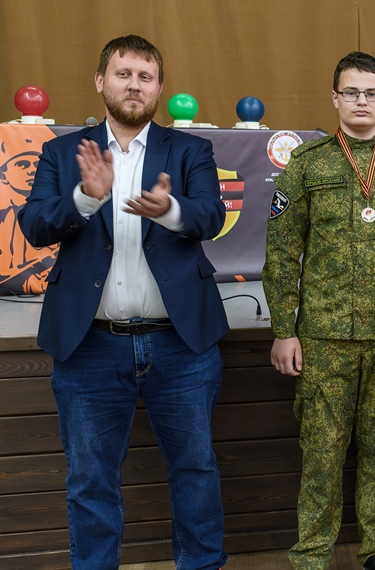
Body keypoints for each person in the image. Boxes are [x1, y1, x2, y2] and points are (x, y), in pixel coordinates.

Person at [17, 35, 229, 569]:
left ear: (159, 88)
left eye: (145, 77)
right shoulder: (62, 152)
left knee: (195, 471)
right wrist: (86, 197)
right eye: (123, 74)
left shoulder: (191, 151)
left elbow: (210, 215)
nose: (134, 85)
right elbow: (35, 225)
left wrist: (170, 209)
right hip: (88, 347)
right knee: (90, 480)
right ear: (100, 81)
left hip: (180, 346)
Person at [262, 50, 375, 570]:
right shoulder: (307, 165)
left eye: (371, 93)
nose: (362, 101)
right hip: (323, 339)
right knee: (322, 454)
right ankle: (312, 555)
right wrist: (284, 329)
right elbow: (281, 251)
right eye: (352, 92)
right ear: (336, 98)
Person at [1, 145, 57, 293]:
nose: (32, 170)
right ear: (3, 176)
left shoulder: (58, 211)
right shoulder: (3, 218)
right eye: (22, 164)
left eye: (36, 164)